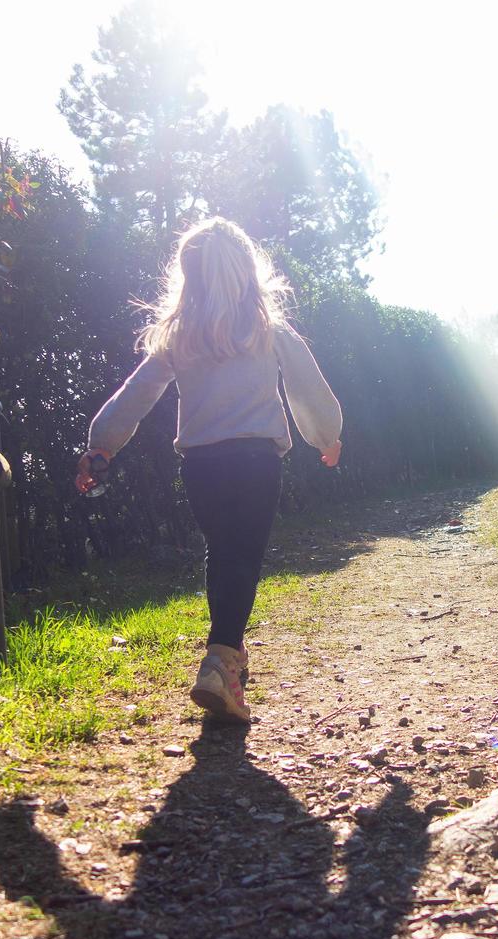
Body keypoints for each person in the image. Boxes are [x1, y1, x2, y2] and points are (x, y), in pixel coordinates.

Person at [77, 218, 343, 724]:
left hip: (201, 467)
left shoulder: (180, 336)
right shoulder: (269, 330)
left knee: (224, 554)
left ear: (190, 278)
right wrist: (326, 437)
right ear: (248, 270)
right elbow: (309, 388)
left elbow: (136, 394)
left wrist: (101, 447)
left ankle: (227, 662)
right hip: (256, 462)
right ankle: (220, 662)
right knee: (241, 560)